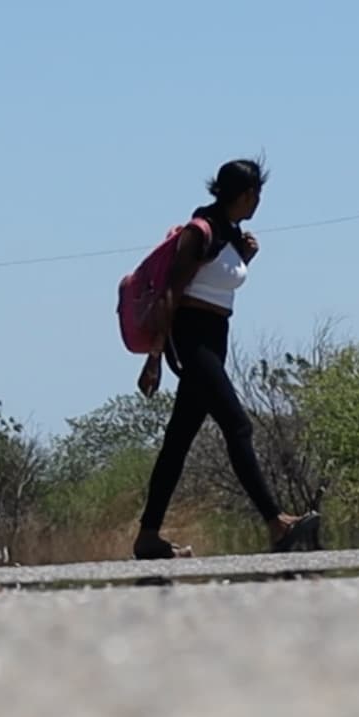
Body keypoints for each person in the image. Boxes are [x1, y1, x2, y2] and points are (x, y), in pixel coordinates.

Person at [131, 159, 319, 561]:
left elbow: (216, 282)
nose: (258, 202)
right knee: (237, 424)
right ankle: (276, 523)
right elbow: (170, 292)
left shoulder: (231, 235)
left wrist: (245, 258)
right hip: (190, 337)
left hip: (216, 338)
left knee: (177, 442)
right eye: (257, 194)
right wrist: (155, 357)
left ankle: (148, 535)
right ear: (247, 194)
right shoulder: (199, 232)